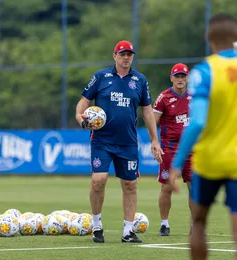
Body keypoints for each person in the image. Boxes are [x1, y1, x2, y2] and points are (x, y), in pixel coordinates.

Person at [169, 13, 237, 260]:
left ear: (209, 39)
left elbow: (197, 121)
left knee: (198, 222)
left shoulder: (204, 71)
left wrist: (176, 163)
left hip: (210, 160)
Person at [75, 40, 163, 244]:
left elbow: (147, 111)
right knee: (99, 180)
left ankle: (128, 231)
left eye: (129, 54)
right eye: (122, 54)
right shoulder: (100, 77)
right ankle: (96, 226)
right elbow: (84, 101)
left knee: (130, 184)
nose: (126, 57)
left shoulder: (140, 80)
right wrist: (80, 117)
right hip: (102, 140)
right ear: (114, 56)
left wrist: (154, 140)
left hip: (128, 142)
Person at [153, 63, 193, 236]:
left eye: (183, 76)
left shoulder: (195, 96)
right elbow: (152, 122)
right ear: (171, 78)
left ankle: (196, 225)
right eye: (177, 76)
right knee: (167, 187)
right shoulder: (163, 97)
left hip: (192, 149)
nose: (180, 79)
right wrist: (154, 142)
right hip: (169, 149)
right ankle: (164, 224)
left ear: (187, 78)